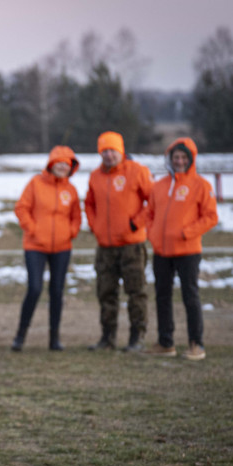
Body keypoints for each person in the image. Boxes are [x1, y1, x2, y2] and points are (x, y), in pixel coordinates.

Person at [144, 138, 218, 360]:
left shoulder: (201, 185)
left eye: (184, 157)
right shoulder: (160, 185)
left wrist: (187, 232)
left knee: (190, 297)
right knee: (162, 296)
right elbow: (149, 215)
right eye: (176, 157)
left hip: (188, 251)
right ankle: (166, 342)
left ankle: (197, 344)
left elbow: (211, 217)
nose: (179, 161)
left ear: (191, 159)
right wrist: (153, 235)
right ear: (170, 159)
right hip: (162, 252)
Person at [84, 132, 153, 353]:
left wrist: (136, 223)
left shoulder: (137, 171)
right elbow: (90, 204)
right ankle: (107, 337)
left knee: (136, 292)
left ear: (121, 151)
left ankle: (137, 337)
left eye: (112, 150)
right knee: (106, 292)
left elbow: (153, 201)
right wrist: (96, 227)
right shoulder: (95, 176)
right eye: (104, 151)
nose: (109, 155)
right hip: (105, 247)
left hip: (131, 245)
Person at [11, 146, 82, 352]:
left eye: (67, 165)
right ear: (51, 164)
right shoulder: (35, 183)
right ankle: (20, 335)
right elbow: (21, 208)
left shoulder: (71, 190)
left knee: (57, 291)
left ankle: (54, 338)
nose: (62, 167)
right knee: (34, 288)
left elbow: (76, 216)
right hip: (35, 246)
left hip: (62, 247)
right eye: (59, 163)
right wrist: (32, 229)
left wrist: (71, 231)